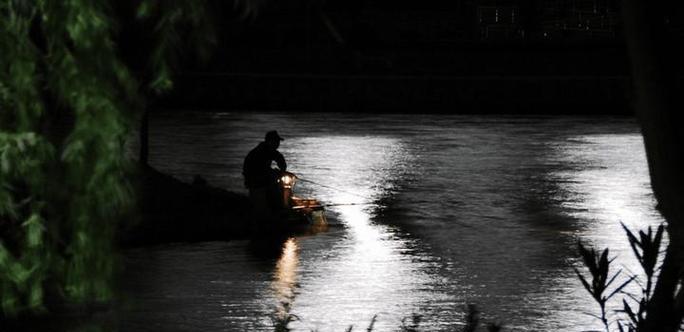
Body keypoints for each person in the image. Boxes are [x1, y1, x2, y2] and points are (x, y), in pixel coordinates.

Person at [243, 130, 287, 226]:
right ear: (270, 141)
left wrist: (282, 170)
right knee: (261, 210)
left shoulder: (269, 151)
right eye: (276, 141)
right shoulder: (261, 152)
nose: (278, 144)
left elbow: (280, 159)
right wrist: (275, 172)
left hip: (261, 181)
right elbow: (258, 169)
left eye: (278, 142)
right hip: (255, 182)